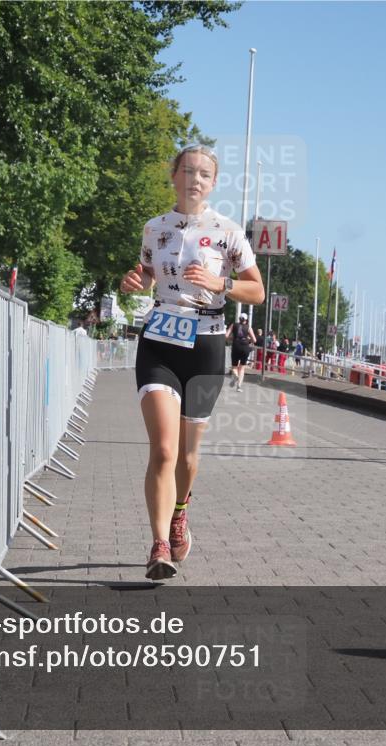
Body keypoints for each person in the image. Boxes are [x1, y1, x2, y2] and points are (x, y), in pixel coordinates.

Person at [119, 144, 265, 580]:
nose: (195, 179)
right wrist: (134, 280)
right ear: (174, 175)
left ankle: (181, 511)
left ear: (213, 183)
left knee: (187, 454)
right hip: (160, 340)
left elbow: (255, 290)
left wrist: (223, 284)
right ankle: (159, 545)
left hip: (205, 344)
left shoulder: (228, 232)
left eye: (204, 174)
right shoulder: (154, 228)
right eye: (188, 171)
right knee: (163, 449)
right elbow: (147, 272)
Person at [227, 313, 256, 392]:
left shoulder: (234, 325)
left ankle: (235, 375)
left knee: (234, 366)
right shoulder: (249, 327)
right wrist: (248, 339)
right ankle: (239, 387)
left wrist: (231, 338)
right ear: (246, 320)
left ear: (239, 318)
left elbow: (226, 336)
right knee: (242, 368)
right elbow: (254, 340)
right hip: (245, 347)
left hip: (236, 346)